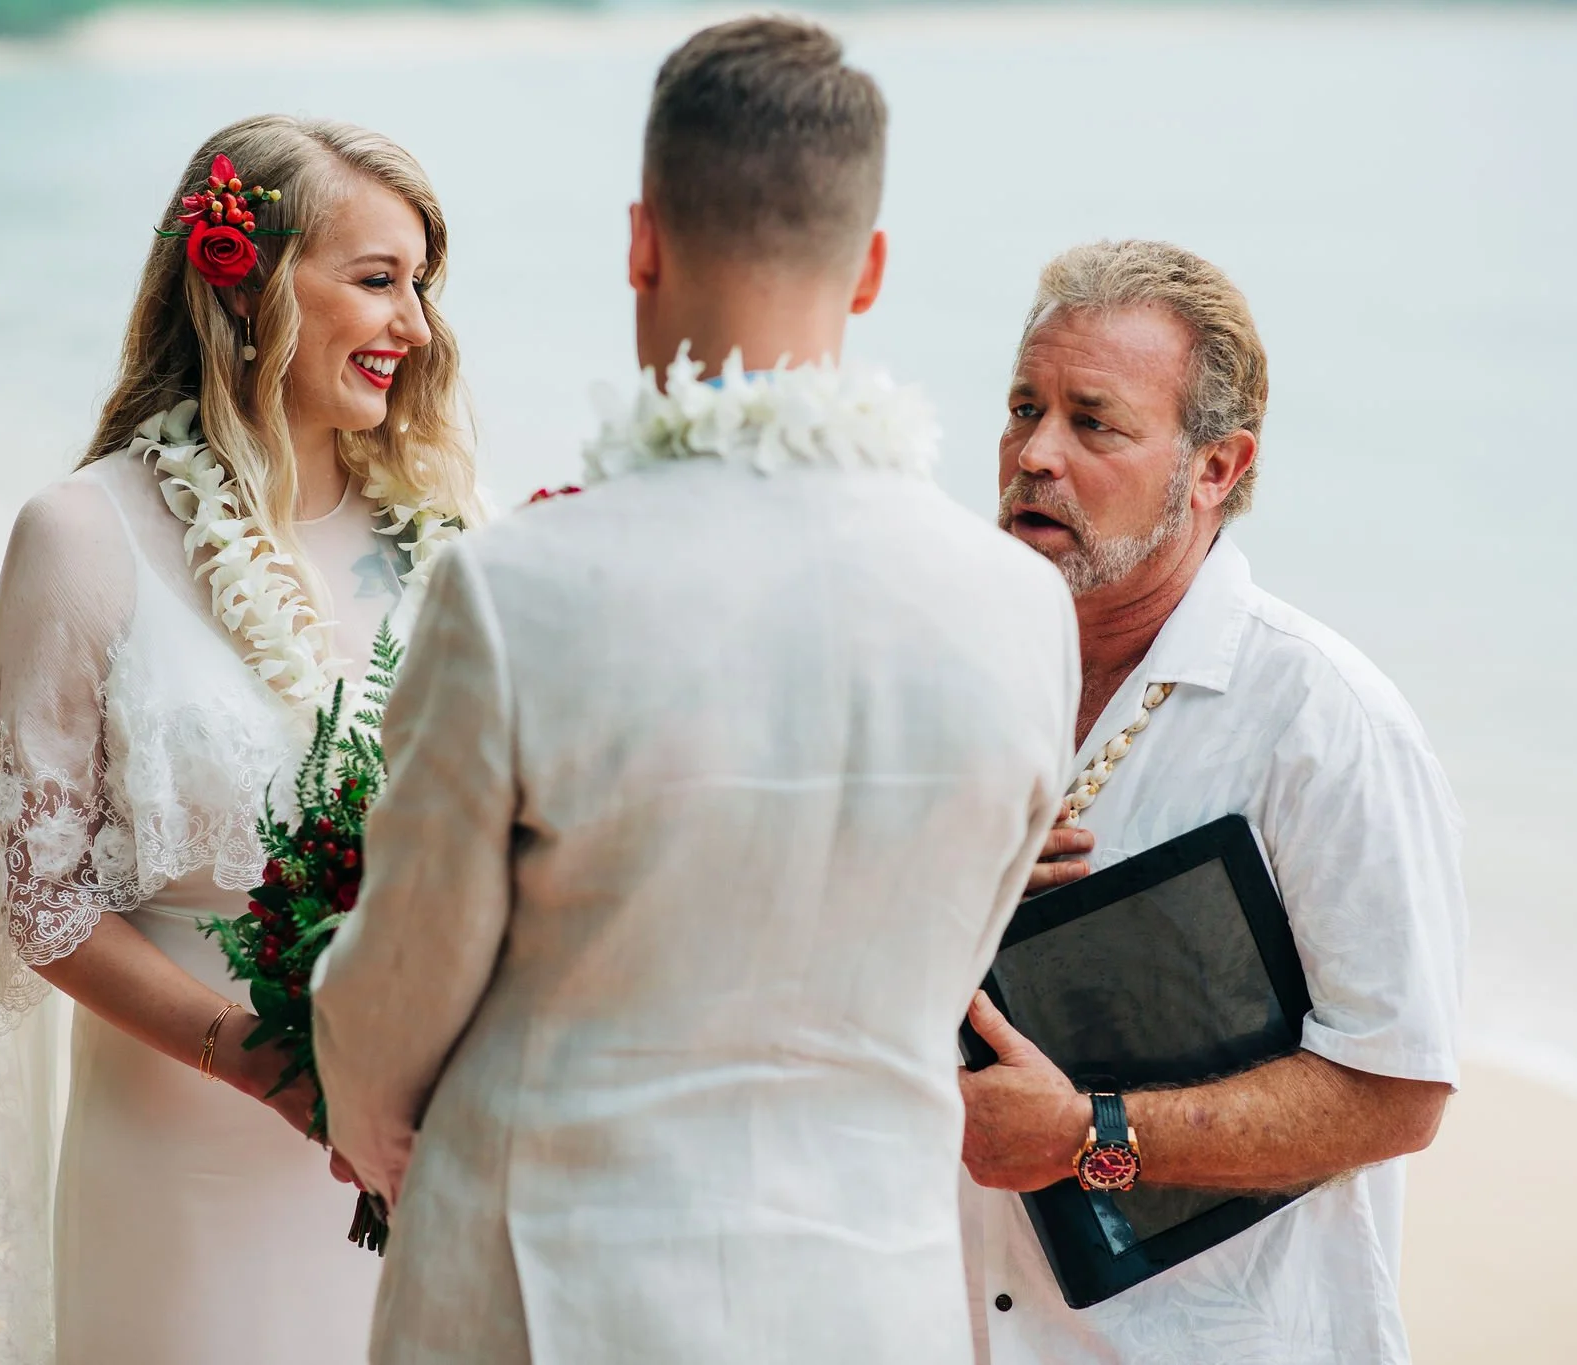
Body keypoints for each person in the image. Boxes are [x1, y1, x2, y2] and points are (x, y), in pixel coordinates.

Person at [309, 18, 1080, 1365]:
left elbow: (392, 1011)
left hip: (542, 1295)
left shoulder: (517, 590)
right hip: (870, 1308)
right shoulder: (1021, 608)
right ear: (872, 269)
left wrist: (368, 1119)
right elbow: (953, 953)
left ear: (642, 241)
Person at [0, 115, 480, 1364]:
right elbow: (37, 897)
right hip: (180, 1169)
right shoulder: (80, 535)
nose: (415, 327)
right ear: (246, 280)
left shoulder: (441, 546)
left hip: (420, 1152)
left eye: (421, 285)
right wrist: (267, 1064)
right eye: (377, 281)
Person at [959, 239, 1466, 1362]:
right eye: (1021, 407)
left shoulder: (1323, 721)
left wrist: (1092, 1136)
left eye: (1093, 423)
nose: (1032, 454)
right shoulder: (956, 682)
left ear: (1214, 468)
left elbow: (1397, 1090)